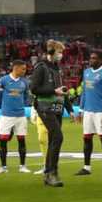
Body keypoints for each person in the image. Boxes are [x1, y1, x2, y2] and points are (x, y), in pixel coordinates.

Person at [28, 41, 68, 187]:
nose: (61, 55)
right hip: (45, 106)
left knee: (53, 138)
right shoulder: (41, 67)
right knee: (57, 137)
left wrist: (70, 109)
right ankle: (52, 172)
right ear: (50, 52)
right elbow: (33, 89)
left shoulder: (56, 68)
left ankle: (49, 174)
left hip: (57, 107)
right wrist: (53, 91)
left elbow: (60, 91)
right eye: (59, 52)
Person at [0, 60, 33, 174]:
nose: (24, 71)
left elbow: (26, 97)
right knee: (3, 140)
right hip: (6, 116)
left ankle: (22, 166)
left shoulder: (24, 82)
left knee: (21, 140)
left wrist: (20, 105)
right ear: (16, 68)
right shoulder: (3, 80)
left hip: (20, 115)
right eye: (23, 69)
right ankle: (3, 167)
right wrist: (4, 108)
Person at [78, 52, 102, 177]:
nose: (91, 60)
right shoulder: (86, 72)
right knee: (87, 138)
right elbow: (84, 91)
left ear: (101, 61)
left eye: (94, 58)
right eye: (90, 58)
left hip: (100, 112)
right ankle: (86, 167)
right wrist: (81, 110)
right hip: (88, 111)